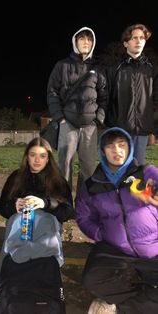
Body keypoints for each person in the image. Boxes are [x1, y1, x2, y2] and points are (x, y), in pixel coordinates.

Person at [75, 127, 158, 314]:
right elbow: (82, 216)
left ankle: (117, 306)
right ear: (103, 151)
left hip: (153, 246)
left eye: (122, 145)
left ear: (129, 147)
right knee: (92, 280)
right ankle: (146, 298)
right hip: (115, 248)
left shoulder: (145, 172)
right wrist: (101, 233)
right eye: (111, 147)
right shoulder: (92, 185)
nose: (117, 151)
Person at [0, 137, 74, 313]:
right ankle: (12, 282)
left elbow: (68, 211)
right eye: (32, 155)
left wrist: (46, 204)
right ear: (26, 157)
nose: (37, 160)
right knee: (16, 226)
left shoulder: (58, 180)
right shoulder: (16, 177)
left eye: (42, 156)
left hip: (46, 228)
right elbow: (2, 208)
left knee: (44, 231)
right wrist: (14, 205)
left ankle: (41, 279)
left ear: (48, 158)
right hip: (19, 226)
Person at [47, 26, 108, 192]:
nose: (86, 42)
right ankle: (64, 203)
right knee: (64, 166)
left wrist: (98, 118)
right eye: (82, 39)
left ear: (93, 43)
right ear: (75, 42)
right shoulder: (62, 65)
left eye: (89, 39)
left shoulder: (98, 69)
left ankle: (84, 203)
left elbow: (104, 96)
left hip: (90, 126)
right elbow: (52, 92)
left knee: (88, 168)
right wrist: (60, 117)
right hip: (68, 124)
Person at [105, 23, 158, 165]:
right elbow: (107, 99)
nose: (138, 41)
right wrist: (110, 126)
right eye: (134, 38)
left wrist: (152, 130)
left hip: (142, 131)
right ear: (126, 43)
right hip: (120, 130)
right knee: (120, 169)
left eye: (142, 38)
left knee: (138, 171)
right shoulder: (115, 68)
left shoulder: (151, 69)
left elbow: (154, 101)